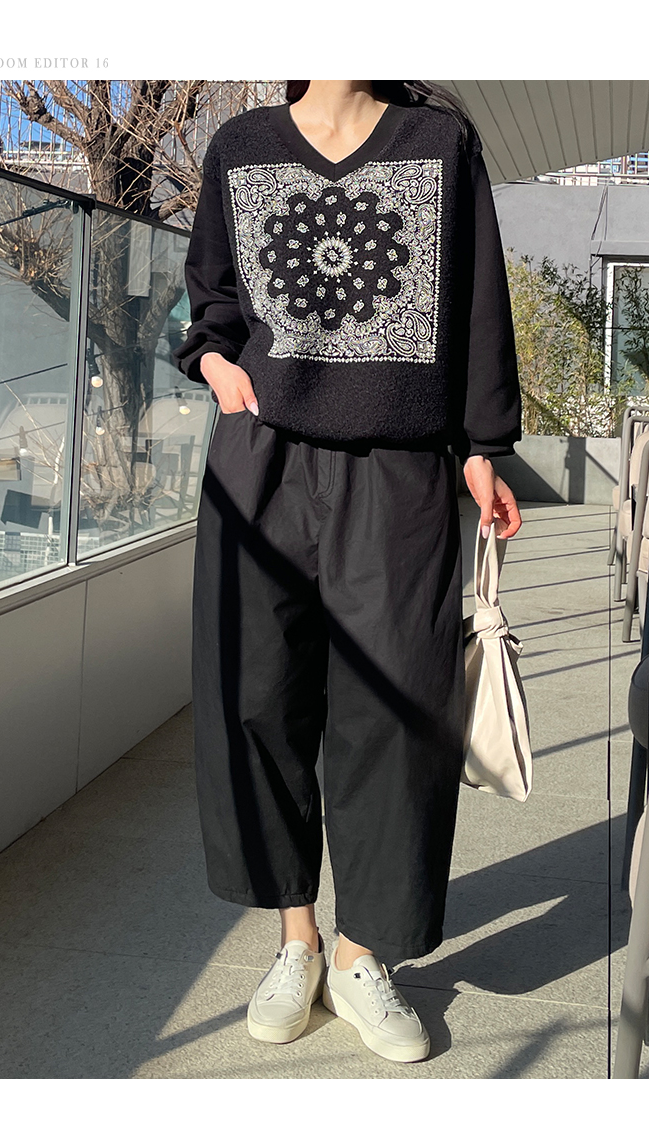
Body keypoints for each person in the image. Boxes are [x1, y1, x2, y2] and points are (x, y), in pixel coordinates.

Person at [172, 79, 522, 1064]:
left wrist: (484, 445)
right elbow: (212, 296)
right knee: (258, 695)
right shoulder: (242, 144)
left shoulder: (439, 142)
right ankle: (298, 941)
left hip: (400, 469)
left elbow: (479, 301)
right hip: (261, 459)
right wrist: (213, 361)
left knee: (398, 710)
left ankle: (364, 954)